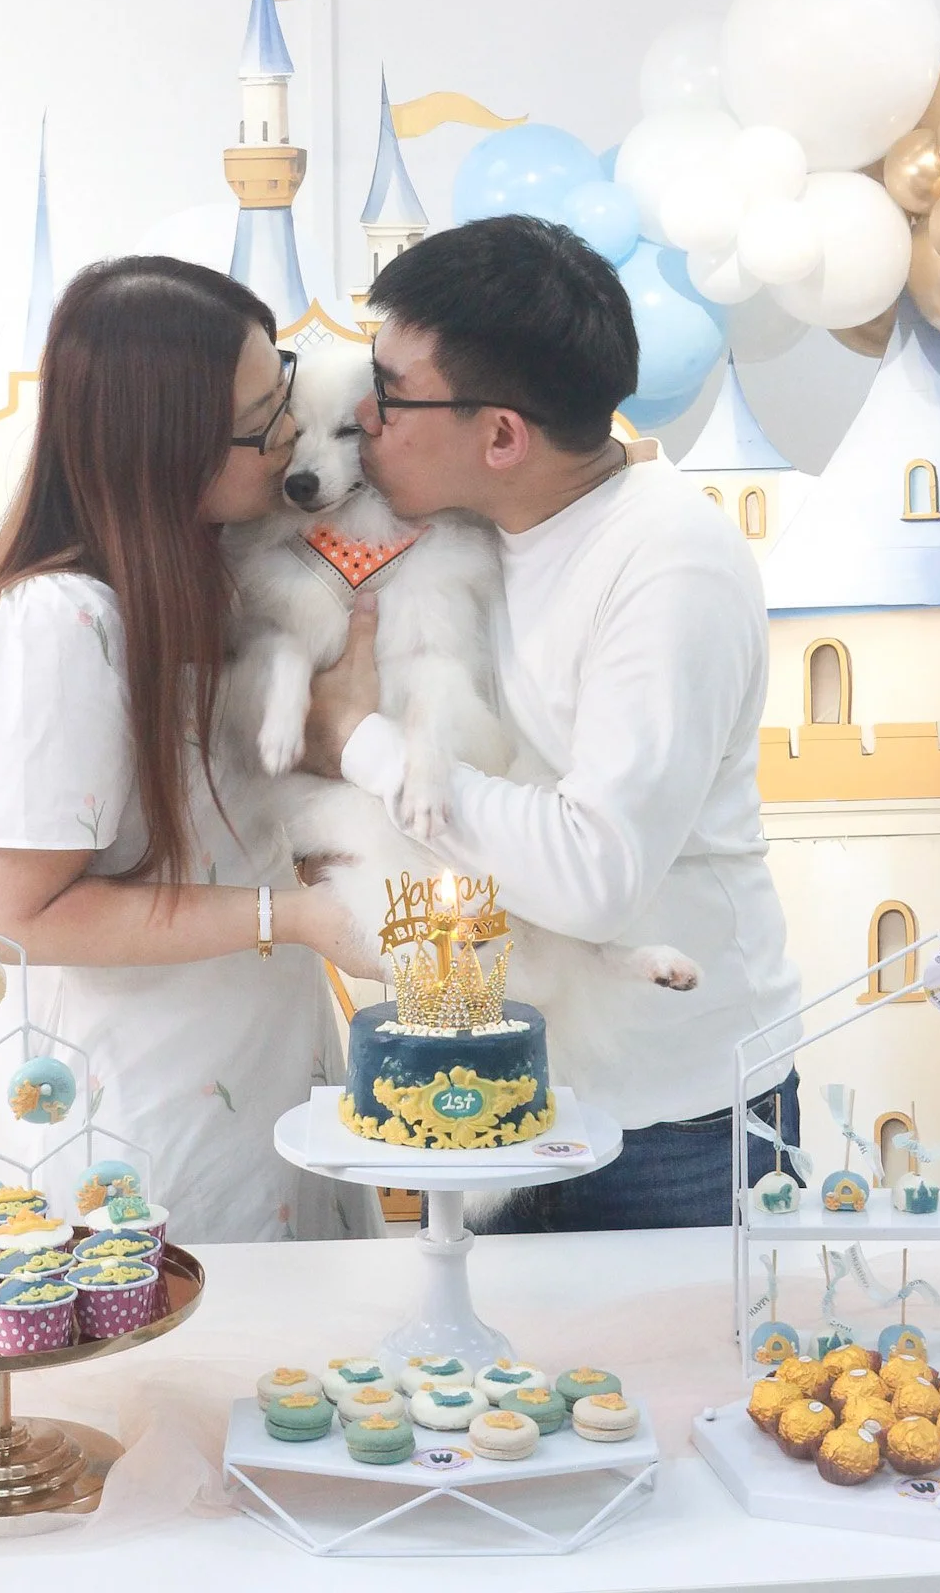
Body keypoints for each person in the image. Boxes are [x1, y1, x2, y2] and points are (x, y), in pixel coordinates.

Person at [302, 216, 803, 1231]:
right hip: (498, 1080)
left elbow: (594, 871)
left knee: (669, 1387)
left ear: (501, 436)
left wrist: (357, 740)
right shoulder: (468, 530)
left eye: (393, 393)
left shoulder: (667, 561)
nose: (367, 414)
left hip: (667, 1115)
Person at [0, 255, 381, 1244]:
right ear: (171, 440)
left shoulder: (203, 580)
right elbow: (14, 915)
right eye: (263, 421)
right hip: (135, 1133)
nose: (288, 443)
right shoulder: (58, 622)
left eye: (285, 401)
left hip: (255, 1095)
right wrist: (292, 915)